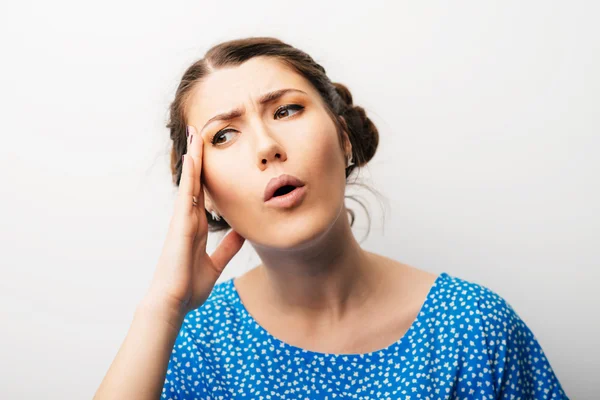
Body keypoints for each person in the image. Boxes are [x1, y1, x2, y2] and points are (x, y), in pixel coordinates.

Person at [94, 37, 569, 399]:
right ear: (202, 193)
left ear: (343, 138)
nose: (266, 147)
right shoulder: (187, 348)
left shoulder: (474, 328)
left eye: (286, 110)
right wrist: (163, 305)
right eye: (223, 136)